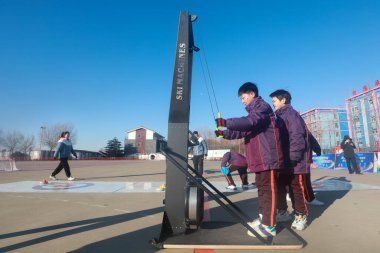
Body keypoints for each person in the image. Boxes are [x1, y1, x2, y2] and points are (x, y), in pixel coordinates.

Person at [215, 82, 283, 238]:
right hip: (259, 159)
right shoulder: (254, 112)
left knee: (268, 192)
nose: (242, 101)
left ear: (252, 94)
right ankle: (263, 219)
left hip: (268, 158)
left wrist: (227, 122)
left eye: (243, 97)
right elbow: (242, 131)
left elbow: (250, 122)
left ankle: (270, 225)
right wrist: (223, 133)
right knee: (262, 190)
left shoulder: (262, 108)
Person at [270, 89, 311, 231]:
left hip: (295, 161)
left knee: (296, 189)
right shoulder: (278, 116)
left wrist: (293, 158)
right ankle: (282, 212)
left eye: (274, 100)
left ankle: (301, 216)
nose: (273, 103)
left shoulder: (291, 115)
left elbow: (297, 137)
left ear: (283, 100)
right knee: (280, 186)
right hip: (283, 161)